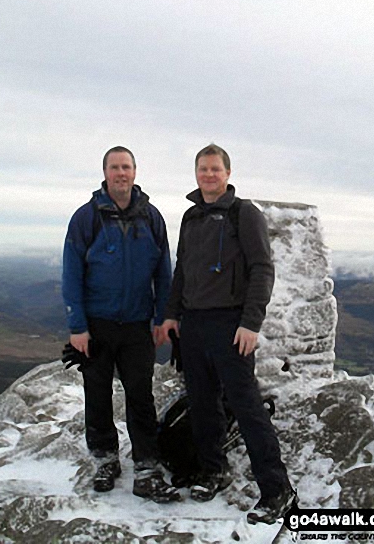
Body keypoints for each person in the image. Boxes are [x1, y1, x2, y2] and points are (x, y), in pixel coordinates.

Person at [161, 144, 295, 523]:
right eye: (203, 169)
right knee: (202, 403)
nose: (208, 175)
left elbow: (262, 269)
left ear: (228, 173)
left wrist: (251, 322)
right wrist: (172, 315)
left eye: (215, 169)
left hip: (231, 325)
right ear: (196, 173)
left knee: (246, 406)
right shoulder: (190, 218)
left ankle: (277, 489)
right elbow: (181, 272)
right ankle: (212, 470)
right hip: (194, 324)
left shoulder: (243, 213)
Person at [62, 145, 180, 503]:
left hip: (137, 325)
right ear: (105, 173)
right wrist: (77, 325)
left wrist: (163, 317)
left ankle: (146, 466)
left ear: (135, 172)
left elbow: (163, 272)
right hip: (97, 325)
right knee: (97, 396)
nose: (121, 173)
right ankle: (105, 459)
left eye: (126, 167)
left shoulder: (152, 217)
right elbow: (71, 273)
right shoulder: (86, 217)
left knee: (140, 396)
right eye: (115, 168)